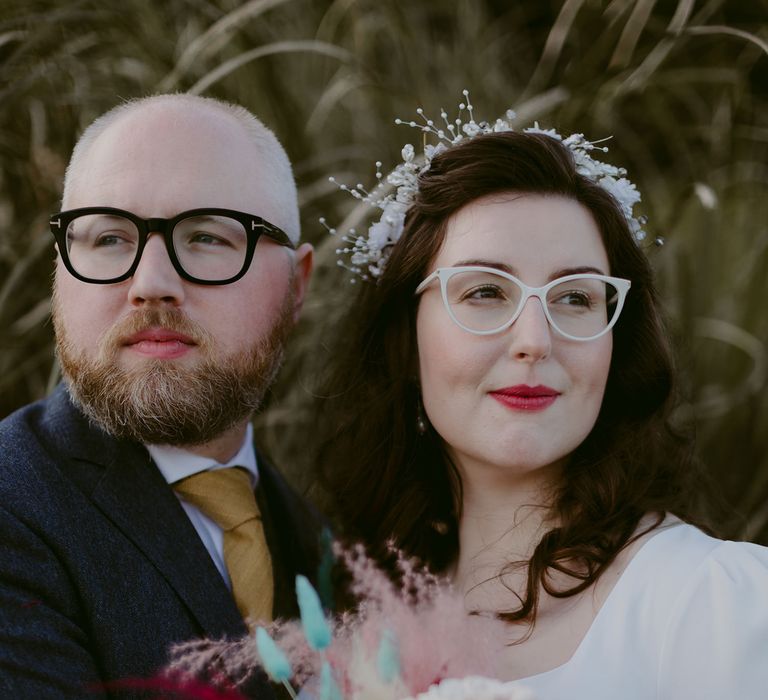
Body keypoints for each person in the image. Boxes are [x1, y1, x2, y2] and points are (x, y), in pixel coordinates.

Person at [314, 102, 768, 699]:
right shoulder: (353, 629)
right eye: (483, 291)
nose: (534, 340)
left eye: (576, 298)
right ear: (405, 335)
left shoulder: (711, 604)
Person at [0, 94, 320, 698]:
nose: (151, 284)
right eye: (109, 238)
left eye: (205, 237)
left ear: (297, 287)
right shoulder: (12, 510)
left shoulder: (321, 538)